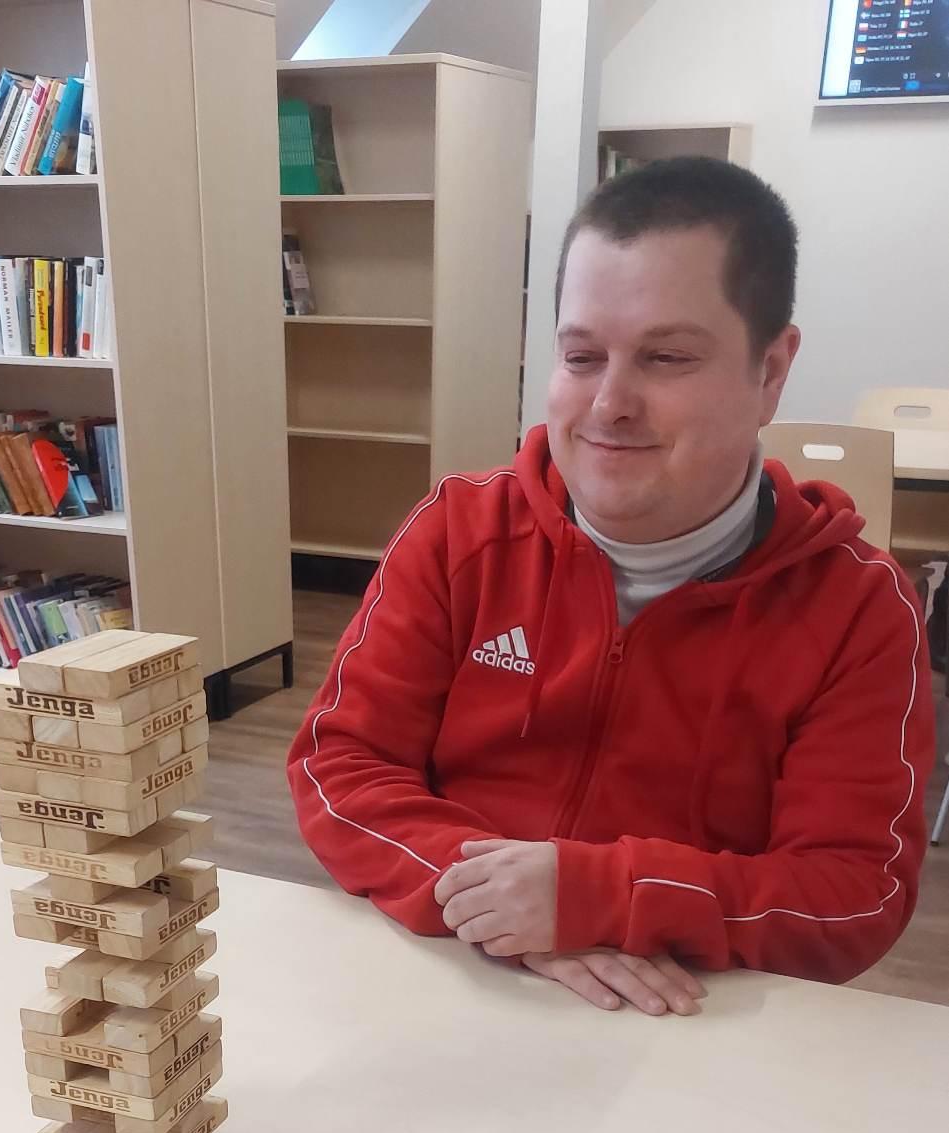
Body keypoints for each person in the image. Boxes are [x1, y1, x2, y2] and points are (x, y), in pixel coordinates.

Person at [287, 157, 934, 1016]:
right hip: (451, 974)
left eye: (665, 357)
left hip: (692, 1016)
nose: (608, 404)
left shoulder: (857, 608)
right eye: (581, 356)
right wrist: (505, 910)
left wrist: (599, 896)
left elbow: (852, 893)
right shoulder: (457, 534)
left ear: (771, 372)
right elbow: (340, 768)